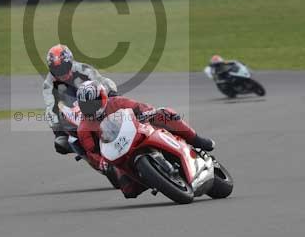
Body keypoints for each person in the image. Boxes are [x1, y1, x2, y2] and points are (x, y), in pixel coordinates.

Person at [75, 80, 215, 199]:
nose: (90, 108)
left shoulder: (116, 102)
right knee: (128, 191)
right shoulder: (83, 128)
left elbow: (138, 107)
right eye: (86, 105)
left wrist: (148, 112)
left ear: (103, 98)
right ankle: (156, 179)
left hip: (139, 131)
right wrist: (101, 163)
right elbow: (91, 151)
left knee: (166, 114)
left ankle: (197, 140)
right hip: (119, 151)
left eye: (93, 104)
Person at [42, 44, 117, 154]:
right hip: (74, 117)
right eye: (57, 70)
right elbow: (51, 108)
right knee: (61, 140)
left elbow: (100, 81)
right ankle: (87, 152)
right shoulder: (49, 84)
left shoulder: (83, 69)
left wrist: (111, 94)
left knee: (109, 86)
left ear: (70, 62)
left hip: (95, 104)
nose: (61, 73)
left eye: (64, 68)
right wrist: (59, 133)